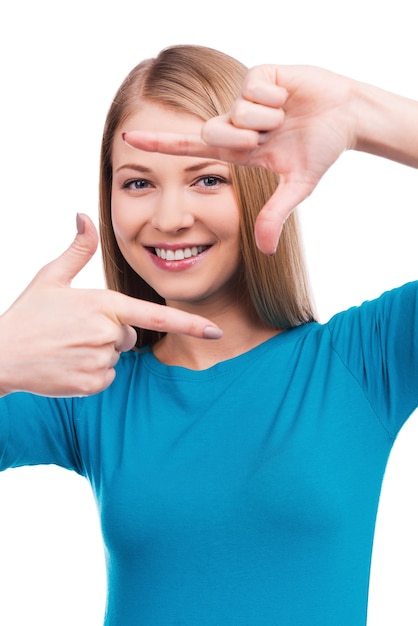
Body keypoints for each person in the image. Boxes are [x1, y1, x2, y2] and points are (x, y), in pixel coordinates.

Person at [0, 44, 417, 625]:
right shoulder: (89, 387)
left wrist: (362, 114)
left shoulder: (363, 361)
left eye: (207, 179)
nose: (169, 217)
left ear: (261, 182)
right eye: (139, 183)